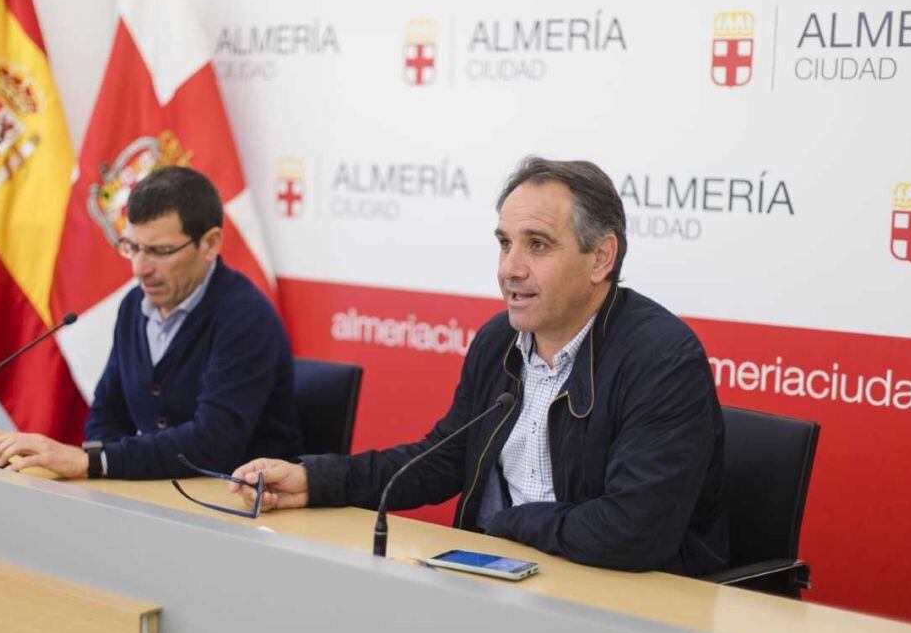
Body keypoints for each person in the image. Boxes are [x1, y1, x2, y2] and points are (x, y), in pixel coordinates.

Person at [230, 157, 728, 576]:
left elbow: (632, 531)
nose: (509, 268)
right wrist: (315, 480)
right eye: (504, 243)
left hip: (619, 600)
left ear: (600, 258)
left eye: (536, 245)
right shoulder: (500, 341)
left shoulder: (661, 360)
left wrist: (508, 522)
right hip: (500, 579)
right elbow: (442, 458)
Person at [0, 166, 303, 479]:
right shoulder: (133, 306)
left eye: (160, 251)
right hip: (162, 494)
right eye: (133, 247)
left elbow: (213, 444)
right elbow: (107, 414)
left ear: (210, 244)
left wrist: (95, 462)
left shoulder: (246, 316)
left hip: (239, 504)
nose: (140, 268)